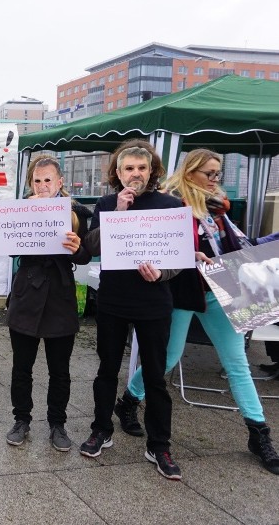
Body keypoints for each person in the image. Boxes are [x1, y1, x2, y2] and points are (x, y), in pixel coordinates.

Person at [114, 148, 279, 474]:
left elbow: (237, 245)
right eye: (210, 173)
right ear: (191, 173)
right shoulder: (172, 203)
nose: (216, 180)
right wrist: (188, 256)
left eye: (218, 173)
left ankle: (259, 434)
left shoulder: (217, 206)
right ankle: (128, 402)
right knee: (168, 358)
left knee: (237, 363)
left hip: (222, 286)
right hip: (182, 290)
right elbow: (155, 244)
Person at [79, 139, 184, 480]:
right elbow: (92, 247)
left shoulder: (170, 205)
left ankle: (159, 445)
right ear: (118, 173)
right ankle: (101, 429)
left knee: (154, 376)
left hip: (153, 301)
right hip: (113, 299)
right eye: (129, 168)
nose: (135, 174)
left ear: (152, 171)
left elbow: (179, 259)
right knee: (107, 369)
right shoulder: (108, 203)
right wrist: (118, 213)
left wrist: (163, 273)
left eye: (142, 168)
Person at [5, 155, 92, 452]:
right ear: (31, 182)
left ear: (60, 182)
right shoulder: (19, 210)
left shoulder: (76, 213)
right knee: (22, 367)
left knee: (60, 369)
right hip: (27, 293)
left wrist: (77, 248)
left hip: (59, 295)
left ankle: (58, 423)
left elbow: (84, 257)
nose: (43, 186)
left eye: (48, 180)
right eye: (37, 180)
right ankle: (21, 420)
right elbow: (9, 248)